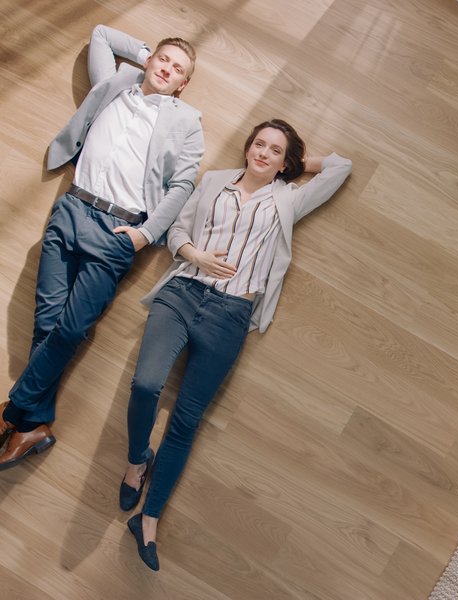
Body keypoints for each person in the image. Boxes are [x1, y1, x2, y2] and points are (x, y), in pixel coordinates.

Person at [118, 119, 352, 570]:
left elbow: (342, 166)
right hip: (183, 293)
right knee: (146, 384)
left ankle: (148, 519)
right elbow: (177, 233)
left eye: (275, 151)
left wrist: (298, 165)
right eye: (259, 144)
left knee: (187, 420)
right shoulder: (214, 182)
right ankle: (135, 461)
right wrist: (197, 255)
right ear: (247, 148)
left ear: (286, 163)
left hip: (230, 317)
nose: (263, 153)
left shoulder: (289, 198)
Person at [0, 24, 204, 470]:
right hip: (71, 208)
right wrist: (150, 51)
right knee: (47, 321)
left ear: (184, 84)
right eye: (163, 60)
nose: (168, 69)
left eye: (178, 69)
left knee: (71, 329)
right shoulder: (113, 83)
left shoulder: (187, 122)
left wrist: (144, 235)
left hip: (118, 230)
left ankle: (11, 412)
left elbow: (184, 182)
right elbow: (101, 35)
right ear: (149, 61)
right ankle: (34, 425)